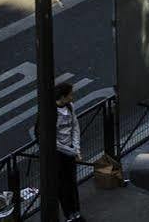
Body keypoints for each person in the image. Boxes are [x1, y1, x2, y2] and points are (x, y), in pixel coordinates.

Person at [54, 80, 84, 221]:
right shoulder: (52, 113)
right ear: (63, 97)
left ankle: (76, 212)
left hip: (70, 151)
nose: (73, 97)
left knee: (72, 183)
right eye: (70, 95)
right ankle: (69, 215)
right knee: (63, 186)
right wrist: (73, 152)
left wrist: (76, 148)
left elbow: (75, 127)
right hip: (59, 156)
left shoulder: (70, 107)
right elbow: (54, 142)